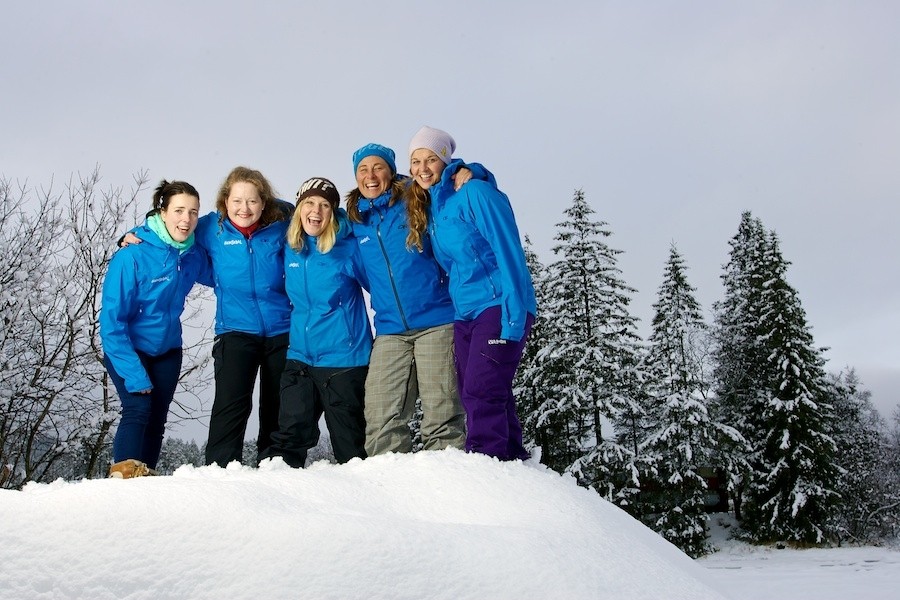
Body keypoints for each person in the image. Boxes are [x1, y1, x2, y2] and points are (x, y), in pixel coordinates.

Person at [121, 166, 292, 467]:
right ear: (225, 202)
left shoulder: (281, 227)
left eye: (252, 201)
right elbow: (172, 226)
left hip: (282, 329)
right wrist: (134, 234)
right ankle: (222, 471)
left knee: (277, 406)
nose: (244, 208)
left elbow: (314, 219)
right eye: (236, 201)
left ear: (264, 203)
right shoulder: (210, 228)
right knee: (231, 405)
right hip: (235, 330)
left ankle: (275, 466)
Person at [405, 126, 537, 461]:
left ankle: (484, 464)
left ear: (445, 160)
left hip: (499, 304)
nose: (422, 168)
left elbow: (509, 251)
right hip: (465, 313)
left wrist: (513, 312)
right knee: (482, 390)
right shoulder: (431, 206)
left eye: (430, 159)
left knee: (481, 390)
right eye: (415, 161)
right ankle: (512, 460)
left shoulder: (475, 192)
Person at [347, 143, 478, 455]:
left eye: (377, 167)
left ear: (391, 171)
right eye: (362, 170)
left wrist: (469, 169)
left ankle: (446, 489)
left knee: (441, 414)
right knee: (380, 415)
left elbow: (443, 181)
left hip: (437, 320)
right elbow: (310, 213)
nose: (370, 175)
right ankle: (392, 492)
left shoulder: (415, 197)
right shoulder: (354, 220)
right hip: (390, 329)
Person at [101, 180, 209, 478]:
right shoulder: (131, 255)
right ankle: (122, 479)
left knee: (158, 418)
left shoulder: (189, 253)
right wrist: (134, 374)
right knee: (138, 408)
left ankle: (147, 482)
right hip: (127, 348)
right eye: (178, 210)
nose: (186, 219)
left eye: (193, 212)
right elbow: (112, 324)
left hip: (168, 349)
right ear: (162, 211)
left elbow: (221, 273)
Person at [261, 177, 370, 467]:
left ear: (333, 212)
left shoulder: (348, 247)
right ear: (298, 208)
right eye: (309, 203)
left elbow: (382, 284)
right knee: (288, 441)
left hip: (344, 362)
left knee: (351, 450)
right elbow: (259, 208)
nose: (316, 211)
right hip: (300, 359)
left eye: (324, 205)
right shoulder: (290, 246)